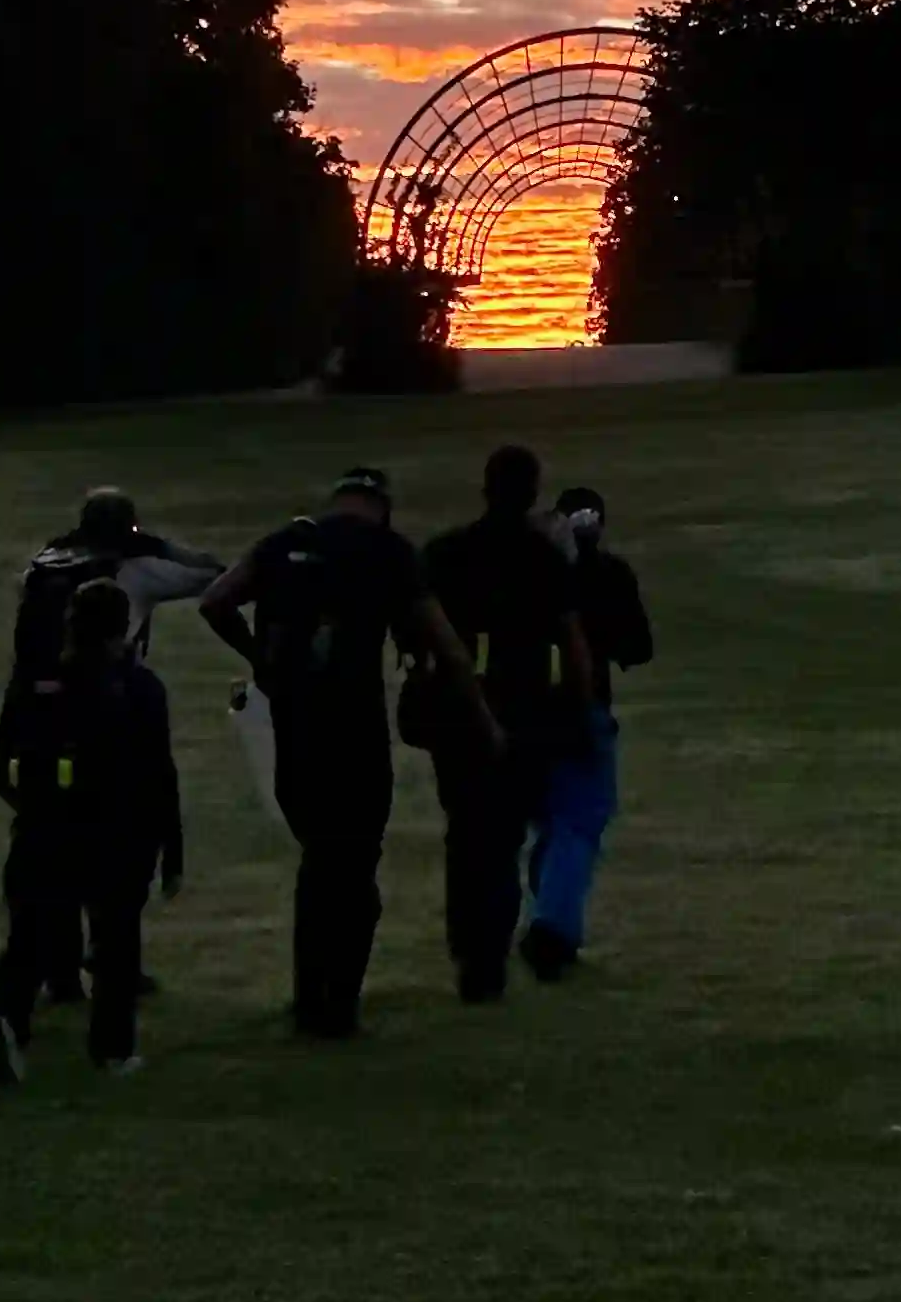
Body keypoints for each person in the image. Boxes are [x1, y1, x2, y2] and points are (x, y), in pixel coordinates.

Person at [200, 467, 492, 1040]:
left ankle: (310, 995)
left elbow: (216, 601)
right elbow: (448, 648)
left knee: (318, 861)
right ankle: (339, 1002)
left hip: (294, 727)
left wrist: (260, 658)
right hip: (354, 731)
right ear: (382, 506)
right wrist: (483, 722)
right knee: (355, 868)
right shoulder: (387, 551)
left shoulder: (287, 542)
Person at [0, 488, 222, 1003]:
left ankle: (59, 973)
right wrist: (157, 544)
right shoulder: (136, 570)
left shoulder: (43, 568)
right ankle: (113, 959)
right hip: (110, 718)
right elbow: (210, 572)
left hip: (41, 722)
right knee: (116, 847)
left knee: (52, 843)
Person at [0, 579, 183, 1087]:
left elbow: (10, 755)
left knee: (30, 936)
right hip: (116, 831)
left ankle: (5, 1019)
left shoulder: (38, 681)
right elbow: (160, 772)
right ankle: (113, 1049)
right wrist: (170, 845)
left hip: (44, 824)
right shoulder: (138, 687)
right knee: (116, 944)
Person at [417, 445, 595, 1004]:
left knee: (464, 833)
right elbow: (572, 644)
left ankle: (467, 947)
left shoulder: (446, 553)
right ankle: (488, 953)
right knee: (503, 839)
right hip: (523, 711)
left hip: (455, 714)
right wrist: (579, 710)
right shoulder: (542, 557)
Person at [523, 482, 656, 980]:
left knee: (549, 824)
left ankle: (544, 913)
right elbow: (638, 647)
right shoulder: (608, 574)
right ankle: (553, 929)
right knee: (579, 822)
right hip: (581, 709)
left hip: (523, 709)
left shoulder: (527, 572)